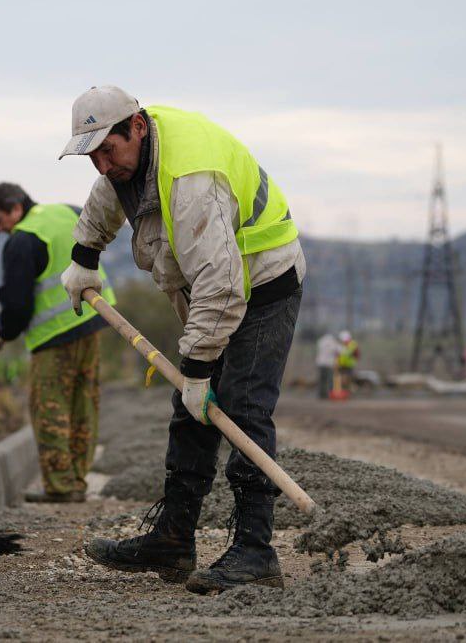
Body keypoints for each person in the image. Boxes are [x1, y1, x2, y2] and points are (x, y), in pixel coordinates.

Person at [57, 86, 305, 593]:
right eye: (94, 155)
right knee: (189, 409)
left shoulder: (190, 180)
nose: (103, 165)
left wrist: (198, 371)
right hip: (219, 286)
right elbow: (109, 197)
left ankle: (256, 552)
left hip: (263, 284)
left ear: (138, 128)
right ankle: (172, 540)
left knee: (241, 406)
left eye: (110, 150)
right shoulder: (127, 163)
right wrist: (84, 257)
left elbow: (222, 286)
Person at [0, 181, 115, 503]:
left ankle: (60, 486)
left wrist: (5, 331)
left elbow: (17, 305)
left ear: (15, 208)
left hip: (54, 336)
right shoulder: (66, 212)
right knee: (84, 403)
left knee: (50, 408)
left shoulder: (23, 240)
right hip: (94, 319)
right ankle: (77, 480)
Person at [315, 332, 341, 399]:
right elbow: (339, 350)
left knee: (322, 380)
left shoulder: (321, 342)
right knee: (330, 380)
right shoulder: (333, 343)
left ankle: (321, 395)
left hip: (320, 363)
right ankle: (330, 395)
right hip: (329, 364)